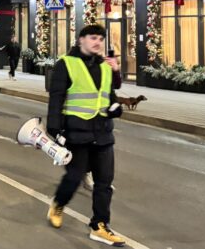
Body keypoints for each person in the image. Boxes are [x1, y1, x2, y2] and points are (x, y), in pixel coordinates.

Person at [46, 25, 126, 247]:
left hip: (103, 133)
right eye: (93, 38)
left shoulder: (105, 66)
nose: (97, 42)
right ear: (81, 40)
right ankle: (58, 203)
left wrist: (116, 107)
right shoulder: (67, 64)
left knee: (104, 183)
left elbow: (110, 95)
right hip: (76, 133)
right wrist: (55, 129)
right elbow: (56, 98)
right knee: (74, 177)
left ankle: (99, 225)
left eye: (101, 38)